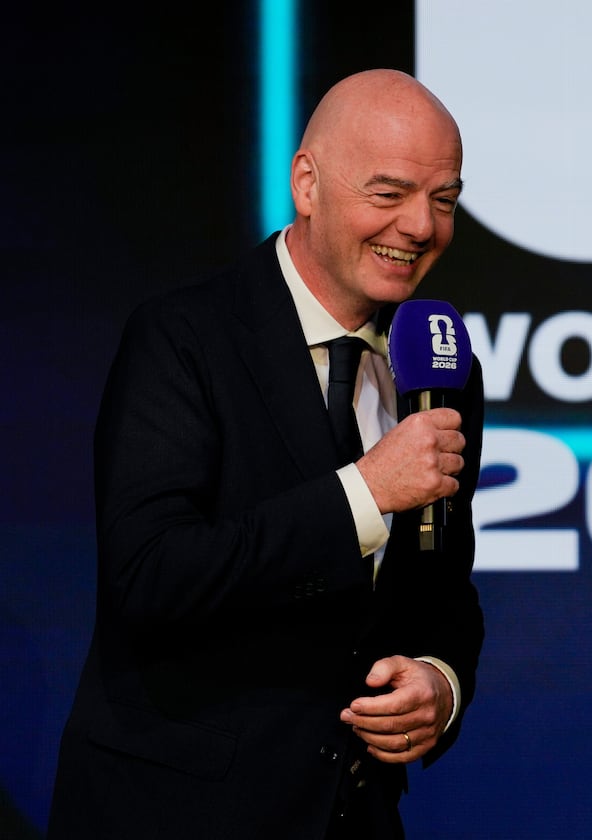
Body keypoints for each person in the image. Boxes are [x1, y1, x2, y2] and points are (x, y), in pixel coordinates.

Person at [46, 69, 484, 840]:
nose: (420, 226)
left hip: (351, 818)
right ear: (306, 184)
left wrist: (440, 683)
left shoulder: (442, 362)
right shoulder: (183, 339)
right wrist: (365, 492)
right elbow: (149, 577)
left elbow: (441, 585)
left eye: (443, 199)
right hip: (176, 817)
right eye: (389, 194)